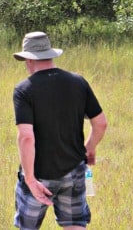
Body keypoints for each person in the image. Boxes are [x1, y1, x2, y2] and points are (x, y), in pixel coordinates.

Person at [12, 31, 108, 230]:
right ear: (50, 55)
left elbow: (26, 137)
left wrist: (29, 178)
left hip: (39, 175)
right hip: (73, 170)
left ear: (28, 60)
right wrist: (89, 149)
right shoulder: (78, 82)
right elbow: (101, 123)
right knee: (75, 224)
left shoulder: (24, 90)